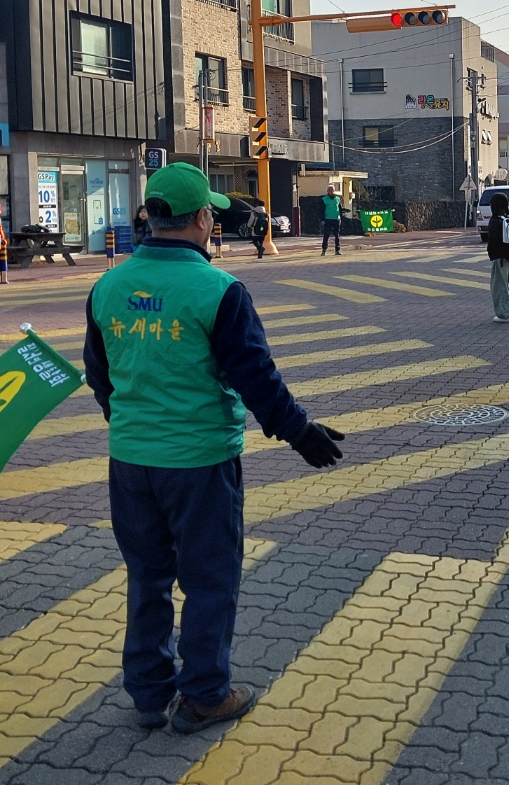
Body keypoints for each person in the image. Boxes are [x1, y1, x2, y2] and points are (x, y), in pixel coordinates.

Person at [82, 162, 344, 734]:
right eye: (211, 217)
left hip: (130, 463)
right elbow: (257, 378)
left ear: (149, 218)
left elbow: (99, 377)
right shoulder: (218, 290)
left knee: (147, 576)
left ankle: (150, 693)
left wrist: (134, 421)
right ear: (202, 219)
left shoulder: (108, 287)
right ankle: (204, 695)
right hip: (199, 464)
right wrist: (301, 433)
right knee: (209, 580)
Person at [486, 192, 509, 323]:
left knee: (498, 286)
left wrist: (491, 254)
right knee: (504, 283)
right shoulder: (508, 218)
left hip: (500, 258)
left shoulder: (495, 221)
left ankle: (505, 314)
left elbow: (493, 241)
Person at [321, 185, 342, 256]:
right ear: (327, 191)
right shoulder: (324, 199)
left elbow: (340, 208)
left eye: (332, 190)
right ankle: (324, 250)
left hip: (336, 219)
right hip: (328, 219)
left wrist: (340, 217)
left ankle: (337, 250)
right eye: (330, 190)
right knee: (326, 235)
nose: (331, 191)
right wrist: (322, 219)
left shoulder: (337, 199)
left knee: (337, 235)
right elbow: (321, 210)